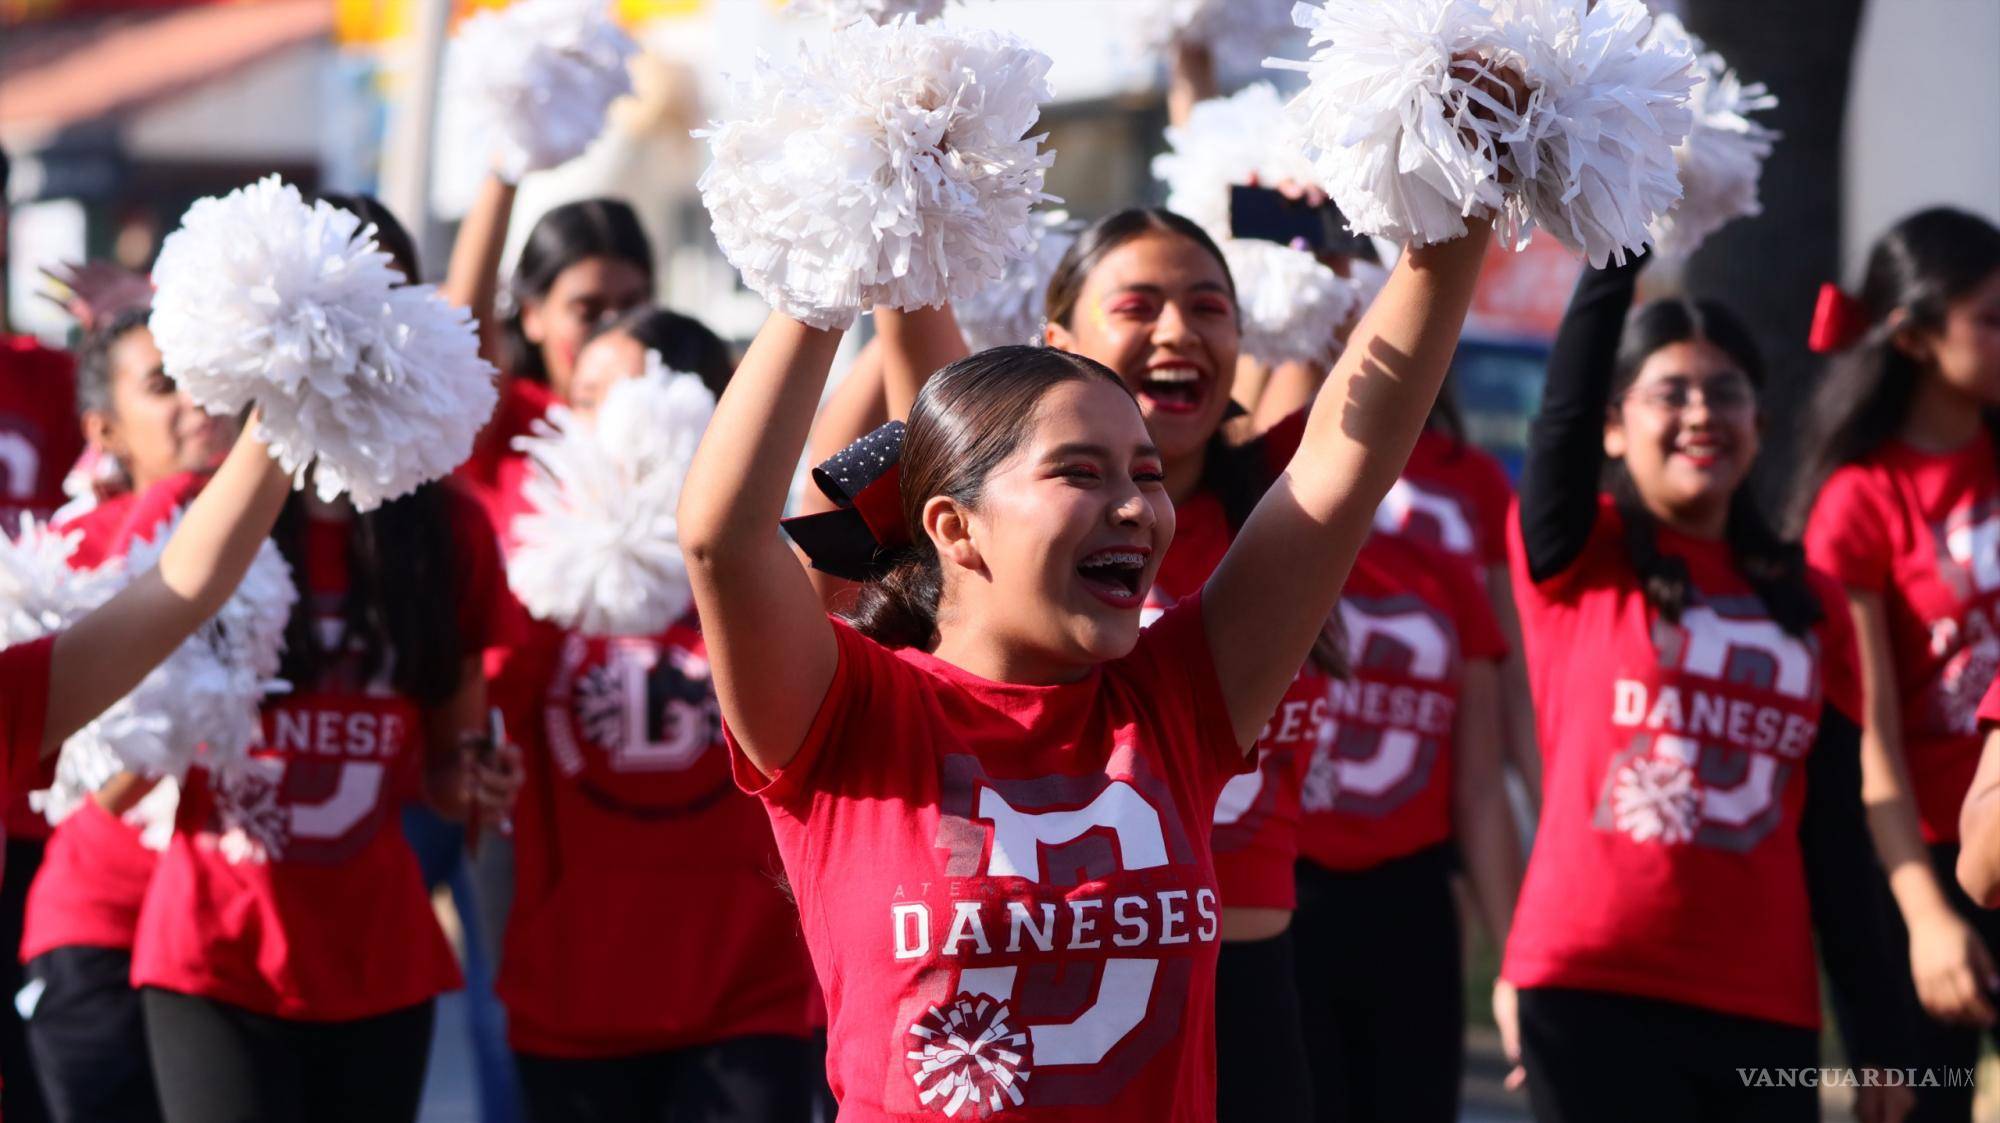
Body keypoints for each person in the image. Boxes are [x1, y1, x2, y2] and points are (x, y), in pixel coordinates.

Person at [681, 124, 1495, 1116]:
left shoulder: (1177, 702)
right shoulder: (846, 711)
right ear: (952, 526)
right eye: (1081, 472)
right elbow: (725, 541)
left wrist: (1455, 212)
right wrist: (830, 258)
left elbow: (1340, 465)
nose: (1133, 506)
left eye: (1144, 476)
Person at [126, 196, 523, 1123]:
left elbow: (447, 770)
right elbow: (107, 762)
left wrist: (479, 780)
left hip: (380, 958)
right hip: (213, 951)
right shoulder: (189, 517)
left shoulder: (450, 527)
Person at [1501, 250, 1910, 1122]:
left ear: (1761, 420)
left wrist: (1879, 1038)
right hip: (1588, 985)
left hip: (1764, 1009)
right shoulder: (1579, 555)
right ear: (1614, 426)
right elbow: (1559, 420)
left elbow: (1837, 838)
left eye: (1724, 392)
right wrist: (1615, 256)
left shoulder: (1815, 602)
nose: (1700, 414)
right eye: (1670, 392)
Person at [487, 309, 820, 1122]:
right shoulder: (533, 563)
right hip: (576, 1002)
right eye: (578, 396)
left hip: (751, 998)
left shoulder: (777, 556)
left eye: (609, 393)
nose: (580, 419)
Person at [1789, 207, 2000, 1122]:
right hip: (1922, 863)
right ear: (1913, 337)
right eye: (1990, 317)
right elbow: (1869, 739)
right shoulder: (1858, 501)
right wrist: (1925, 916)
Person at [20, 305, 236, 1123]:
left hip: (240, 933)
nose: (196, 403)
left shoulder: (294, 543)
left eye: (207, 380)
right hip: (106, 927)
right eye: (163, 384)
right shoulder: (68, 552)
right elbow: (80, 781)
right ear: (104, 429)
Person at [1288, 529, 1517, 1123]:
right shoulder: (1247, 552)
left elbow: (1482, 785)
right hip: (1272, 901)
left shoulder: (1444, 573)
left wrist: (1517, 964)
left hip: (1409, 906)